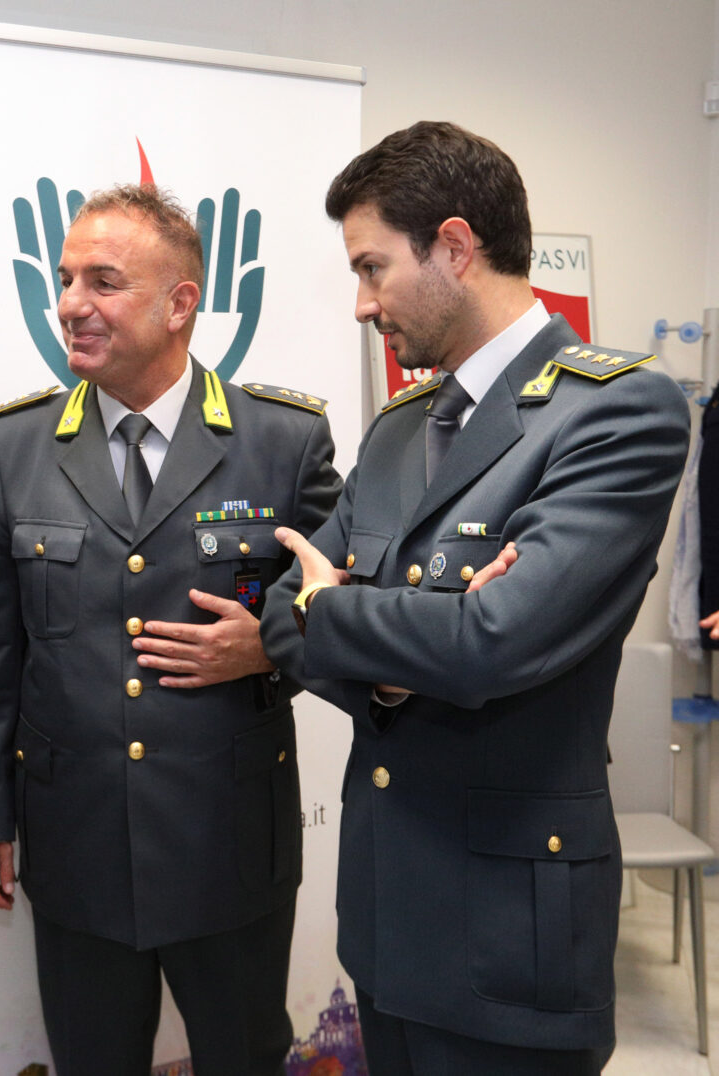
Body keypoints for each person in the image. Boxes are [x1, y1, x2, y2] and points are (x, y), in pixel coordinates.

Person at [260, 121, 691, 1075]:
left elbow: (493, 642)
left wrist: (346, 616)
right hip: (383, 921)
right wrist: (404, 669)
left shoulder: (616, 411)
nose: (363, 304)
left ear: (455, 246)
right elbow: (282, 614)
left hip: (511, 940)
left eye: (373, 269)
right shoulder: (399, 428)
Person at [0, 183, 341, 1076]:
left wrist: (269, 647)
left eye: (103, 281)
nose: (70, 305)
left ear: (179, 304)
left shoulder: (284, 440)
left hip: (228, 843)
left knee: (243, 1058)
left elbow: (342, 608)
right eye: (64, 279)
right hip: (77, 841)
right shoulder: (18, 445)